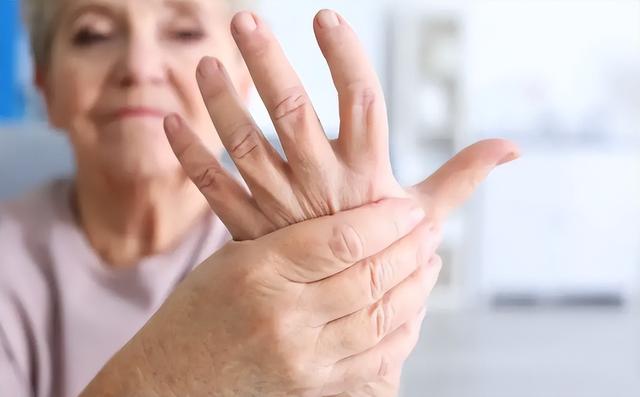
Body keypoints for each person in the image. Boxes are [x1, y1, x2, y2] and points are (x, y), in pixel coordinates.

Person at [0, 0, 519, 396]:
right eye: (93, 35)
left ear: (242, 81)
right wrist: (176, 369)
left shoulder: (298, 249)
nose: (139, 66)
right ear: (46, 89)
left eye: (182, 31)